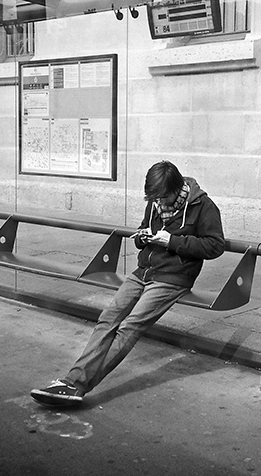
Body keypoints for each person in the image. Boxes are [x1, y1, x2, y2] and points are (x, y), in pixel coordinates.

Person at [31, 160, 225, 407]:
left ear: (177, 189)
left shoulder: (202, 206)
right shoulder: (156, 202)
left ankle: (76, 386)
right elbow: (145, 230)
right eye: (154, 199)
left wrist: (173, 241)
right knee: (108, 318)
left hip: (173, 277)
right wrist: (143, 236)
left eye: (164, 197)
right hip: (144, 271)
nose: (160, 203)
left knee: (130, 326)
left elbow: (215, 245)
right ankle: (71, 381)